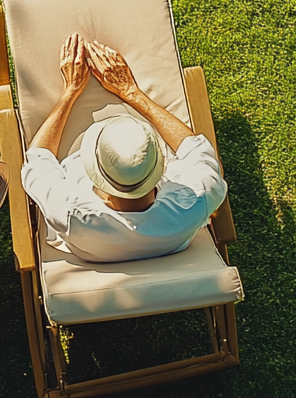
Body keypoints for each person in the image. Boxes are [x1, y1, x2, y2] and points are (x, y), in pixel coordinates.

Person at [20, 33, 227, 263]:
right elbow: (195, 148)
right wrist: (131, 92)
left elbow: (37, 159)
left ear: (94, 172)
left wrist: (70, 93)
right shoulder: (197, 200)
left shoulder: (71, 214)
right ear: (157, 165)